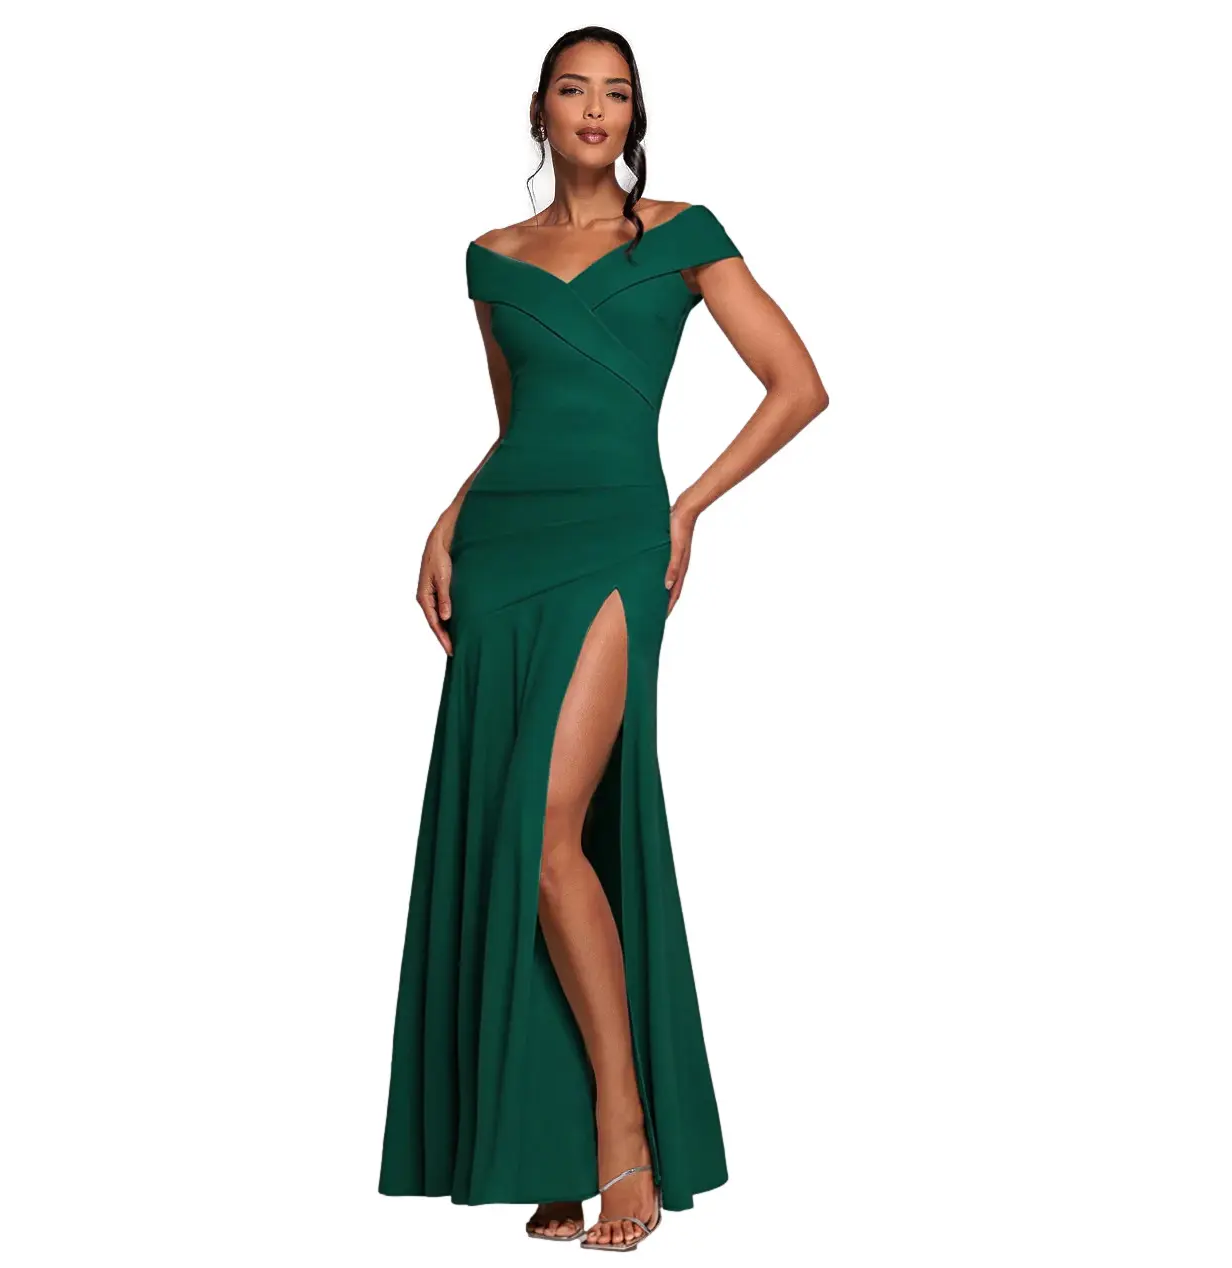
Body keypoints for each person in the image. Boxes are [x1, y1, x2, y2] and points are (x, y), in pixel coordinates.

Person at [378, 25, 828, 1252]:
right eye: (572, 89)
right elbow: (517, 421)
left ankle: (623, 1132)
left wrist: (688, 507)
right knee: (517, 838)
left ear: (635, 116)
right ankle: (551, 1152)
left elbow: (797, 385)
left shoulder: (681, 234)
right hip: (504, 545)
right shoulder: (490, 258)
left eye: (615, 92)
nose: (594, 108)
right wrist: (449, 516)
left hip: (618, 542)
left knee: (546, 829)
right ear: (540, 109)